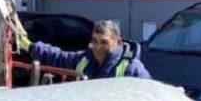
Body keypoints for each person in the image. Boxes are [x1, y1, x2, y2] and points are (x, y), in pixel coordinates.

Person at [18, 19, 151, 79]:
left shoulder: (132, 69)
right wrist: (30, 46)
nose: (98, 48)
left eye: (104, 43)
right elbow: (59, 57)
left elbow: (150, 97)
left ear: (118, 42)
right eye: (94, 41)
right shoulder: (85, 59)